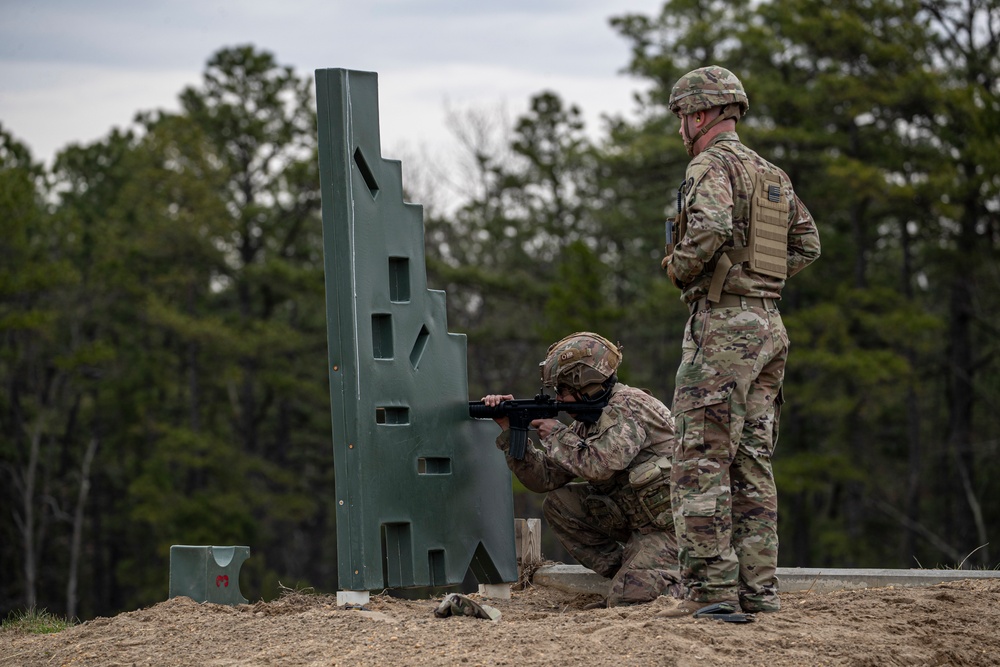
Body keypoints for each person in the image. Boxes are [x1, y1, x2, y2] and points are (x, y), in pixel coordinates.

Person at [660, 66, 821, 616]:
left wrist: (681, 269)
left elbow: (707, 229)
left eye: (683, 116)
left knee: (699, 456)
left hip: (724, 328)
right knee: (751, 460)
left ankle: (710, 595)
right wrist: (760, 284)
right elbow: (808, 244)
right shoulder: (770, 172)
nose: (681, 127)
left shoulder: (710, 165)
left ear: (700, 115)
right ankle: (758, 592)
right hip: (768, 328)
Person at [481, 332, 681, 607]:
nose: (558, 399)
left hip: (672, 532)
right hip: (639, 528)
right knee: (559, 504)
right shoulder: (588, 423)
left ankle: (670, 579)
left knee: (629, 598)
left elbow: (599, 464)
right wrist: (509, 429)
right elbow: (544, 478)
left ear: (584, 384)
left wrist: (556, 435)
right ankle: (628, 571)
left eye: (562, 390)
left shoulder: (630, 407)